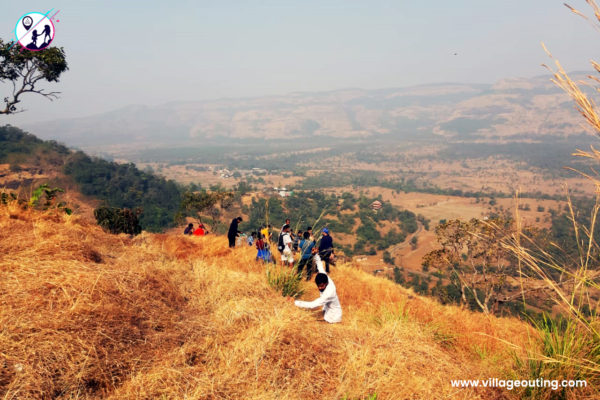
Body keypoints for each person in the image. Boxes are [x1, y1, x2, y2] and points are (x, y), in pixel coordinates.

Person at [293, 253, 342, 324]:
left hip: (334, 318)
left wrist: (295, 302)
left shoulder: (329, 293)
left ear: (326, 283)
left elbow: (313, 304)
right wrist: (315, 254)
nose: (320, 288)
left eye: (322, 286)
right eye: (318, 285)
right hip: (327, 311)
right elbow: (320, 266)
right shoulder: (323, 276)